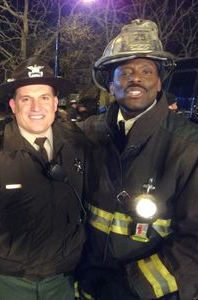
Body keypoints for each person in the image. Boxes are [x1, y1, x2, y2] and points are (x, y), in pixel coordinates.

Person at [0, 57, 89, 300]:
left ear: (54, 103)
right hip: (8, 284)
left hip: (63, 282)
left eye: (43, 98)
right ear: (13, 105)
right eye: (26, 99)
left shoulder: (78, 144)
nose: (36, 107)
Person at [77, 19, 198, 299]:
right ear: (110, 84)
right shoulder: (88, 133)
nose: (136, 78)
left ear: (159, 84)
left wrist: (134, 286)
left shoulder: (188, 147)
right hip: (89, 284)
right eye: (125, 72)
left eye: (147, 71)